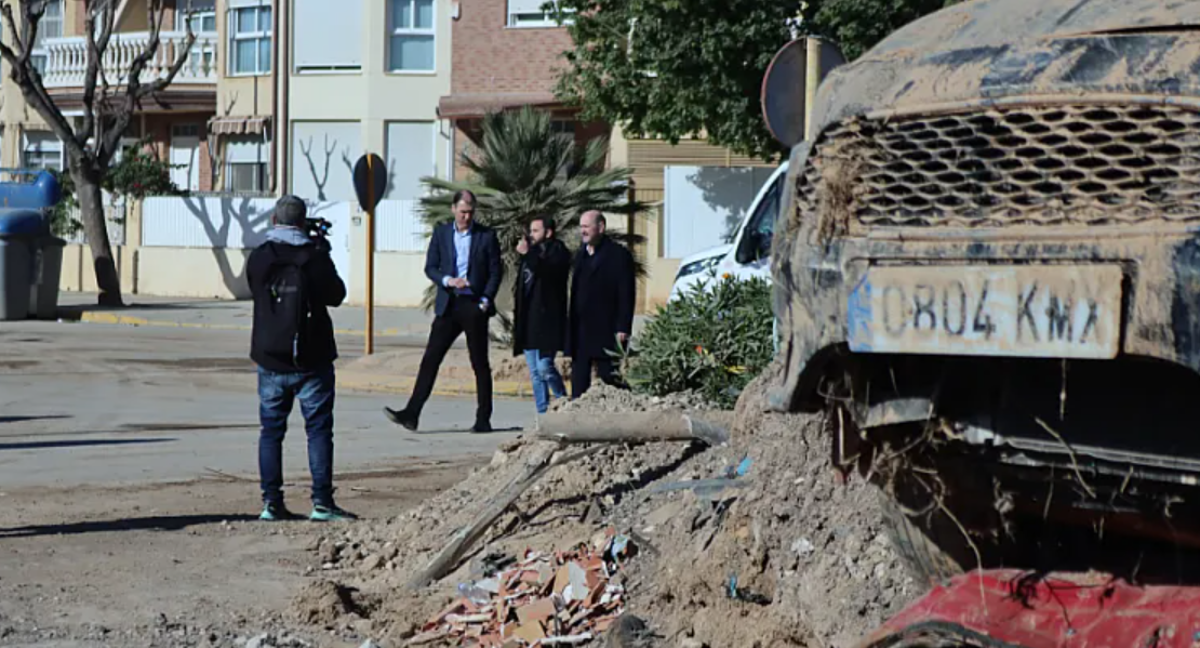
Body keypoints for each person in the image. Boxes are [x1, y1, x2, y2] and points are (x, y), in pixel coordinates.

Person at [247, 195, 355, 522]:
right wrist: (322, 251)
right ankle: (322, 502)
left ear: (274, 221)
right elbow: (336, 295)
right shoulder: (314, 257)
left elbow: (255, 289)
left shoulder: (260, 257)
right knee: (319, 431)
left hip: (270, 357)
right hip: (313, 359)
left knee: (271, 431)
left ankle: (271, 503)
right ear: (302, 222)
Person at [384, 190, 502, 432]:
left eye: (470, 212)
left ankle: (483, 418)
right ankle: (411, 413)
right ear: (453, 209)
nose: (466, 217)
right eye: (462, 212)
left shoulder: (486, 236)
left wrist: (486, 300)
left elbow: (495, 271)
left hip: (474, 305)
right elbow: (431, 267)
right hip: (448, 304)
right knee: (430, 360)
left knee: (479, 363)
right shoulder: (441, 233)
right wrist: (448, 280)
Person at [567, 210, 636, 399]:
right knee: (579, 376)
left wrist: (623, 326)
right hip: (581, 328)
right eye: (581, 227)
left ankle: (620, 411)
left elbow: (626, 293)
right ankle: (577, 416)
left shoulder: (618, 255)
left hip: (607, 328)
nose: (583, 231)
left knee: (610, 376)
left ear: (601, 227)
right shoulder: (581, 254)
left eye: (586, 227)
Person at [513, 215, 571, 414]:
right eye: (531, 231)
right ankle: (543, 414)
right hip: (529, 321)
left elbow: (548, 273)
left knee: (545, 366)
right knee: (535, 373)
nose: (531, 235)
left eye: (536, 231)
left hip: (549, 321)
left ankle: (564, 402)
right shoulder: (532, 253)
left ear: (548, 232)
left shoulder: (558, 251)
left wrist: (529, 255)